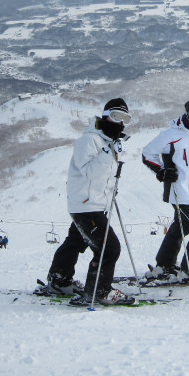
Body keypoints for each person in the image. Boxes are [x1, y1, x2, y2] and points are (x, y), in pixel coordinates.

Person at [46, 98, 135, 306]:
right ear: (105, 116)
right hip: (87, 206)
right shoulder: (89, 140)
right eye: (116, 116)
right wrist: (108, 153)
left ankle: (59, 279)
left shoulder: (106, 142)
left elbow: (103, 176)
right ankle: (98, 291)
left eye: (125, 118)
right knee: (109, 248)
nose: (120, 123)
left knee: (75, 242)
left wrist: (110, 190)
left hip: (92, 204)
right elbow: (87, 172)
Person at [142, 98, 189, 282]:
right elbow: (147, 153)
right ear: (186, 116)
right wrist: (161, 171)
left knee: (181, 226)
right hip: (177, 190)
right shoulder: (171, 134)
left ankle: (164, 265)